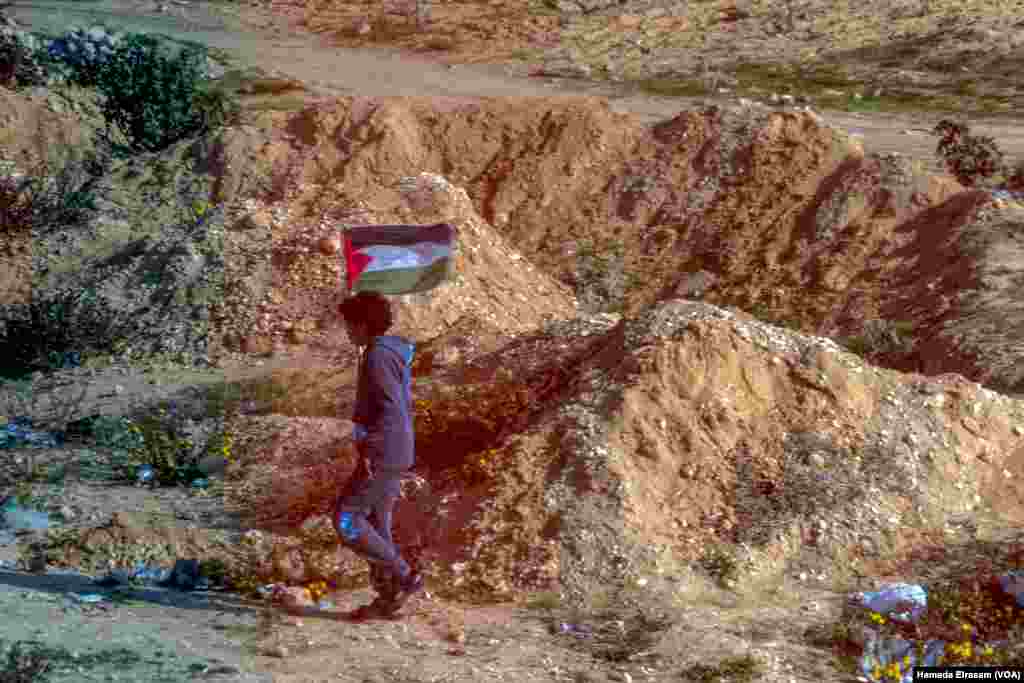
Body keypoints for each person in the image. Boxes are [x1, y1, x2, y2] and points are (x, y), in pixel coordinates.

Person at [333, 291, 424, 619]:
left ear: (362, 324)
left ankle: (405, 575)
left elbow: (388, 407)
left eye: (349, 324)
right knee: (377, 524)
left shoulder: (377, 356)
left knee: (347, 520)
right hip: (395, 448)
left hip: (384, 450)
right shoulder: (386, 352)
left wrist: (372, 448)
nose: (346, 331)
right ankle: (389, 598)